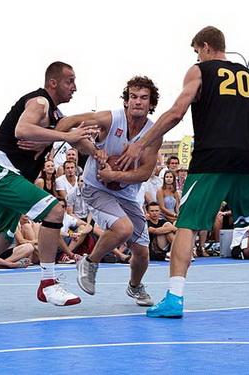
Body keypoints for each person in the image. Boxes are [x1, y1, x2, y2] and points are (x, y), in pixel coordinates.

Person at [118, 26, 249, 317]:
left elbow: (175, 113)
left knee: (187, 224)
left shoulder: (199, 71)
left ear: (206, 47)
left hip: (212, 158)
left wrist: (139, 144)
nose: (197, 56)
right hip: (248, 159)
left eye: (197, 51)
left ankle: (174, 297)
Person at [0, 61, 95, 309]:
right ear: (53, 83)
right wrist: (65, 136)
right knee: (55, 211)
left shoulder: (56, 115)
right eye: (70, 81)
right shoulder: (40, 102)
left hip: (5, 174)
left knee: (2, 238)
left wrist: (100, 156)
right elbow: (23, 129)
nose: (75, 87)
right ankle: (48, 284)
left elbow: (78, 139)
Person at [58, 75, 162, 306]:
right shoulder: (110, 119)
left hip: (127, 193)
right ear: (126, 101)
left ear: (151, 104)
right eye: (133, 97)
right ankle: (89, 262)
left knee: (142, 253)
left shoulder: (153, 133)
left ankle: (135, 287)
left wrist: (115, 175)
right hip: (96, 187)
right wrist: (93, 149)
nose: (137, 102)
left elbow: (144, 173)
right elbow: (69, 124)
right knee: (123, 228)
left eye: (144, 98)